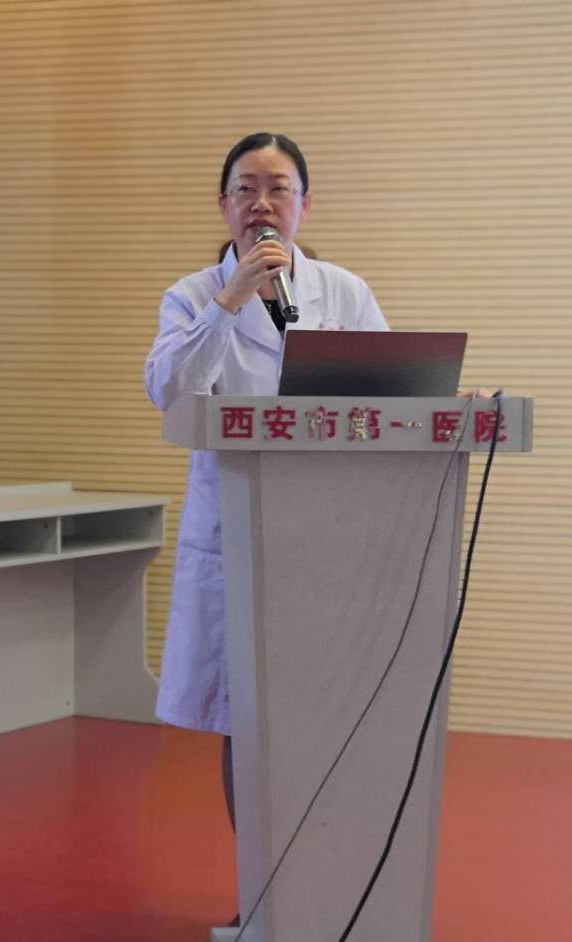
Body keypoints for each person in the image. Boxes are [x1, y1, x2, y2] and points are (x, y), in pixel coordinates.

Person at [144, 132, 388, 826]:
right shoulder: (193, 296)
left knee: (328, 704)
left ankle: (322, 863)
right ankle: (259, 876)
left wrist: (443, 403)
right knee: (247, 717)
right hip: (239, 536)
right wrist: (231, 298)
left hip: (329, 536)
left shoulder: (344, 292)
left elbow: (392, 390)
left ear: (304, 205)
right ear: (223, 205)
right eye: (245, 189)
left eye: (278, 189)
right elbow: (169, 390)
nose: (261, 204)